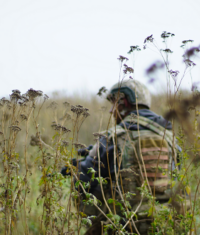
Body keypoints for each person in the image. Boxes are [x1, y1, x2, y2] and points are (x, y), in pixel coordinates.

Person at [61, 79, 182, 234]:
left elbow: (82, 181)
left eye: (114, 104)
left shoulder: (113, 137)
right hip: (166, 223)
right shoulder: (171, 139)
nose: (112, 111)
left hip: (125, 225)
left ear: (124, 103)